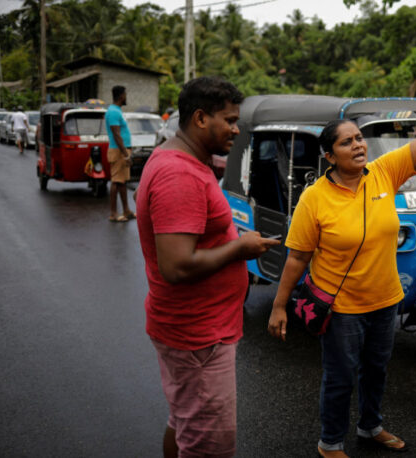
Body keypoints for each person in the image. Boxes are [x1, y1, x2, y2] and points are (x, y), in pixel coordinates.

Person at [268, 83, 416, 458]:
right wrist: (280, 305)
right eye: (347, 143)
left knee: (377, 369)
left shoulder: (383, 173)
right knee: (340, 377)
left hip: (385, 301)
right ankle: (330, 442)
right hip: (342, 308)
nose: (358, 145)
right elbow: (297, 257)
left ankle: (370, 426)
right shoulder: (314, 198)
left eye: (359, 138)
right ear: (330, 156)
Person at [136, 76, 280, 458]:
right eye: (229, 120)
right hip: (198, 335)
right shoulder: (179, 173)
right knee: (207, 447)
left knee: (184, 423)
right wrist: (239, 248)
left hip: (193, 330)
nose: (236, 129)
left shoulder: (180, 161)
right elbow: (178, 266)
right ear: (200, 118)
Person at [105, 85, 135, 222]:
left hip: (122, 151)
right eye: (125, 94)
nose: (126, 97)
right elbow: (116, 135)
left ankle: (127, 211)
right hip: (118, 151)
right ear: (121, 96)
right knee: (116, 182)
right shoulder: (113, 112)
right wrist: (125, 154)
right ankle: (113, 214)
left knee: (122, 182)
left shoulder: (116, 111)